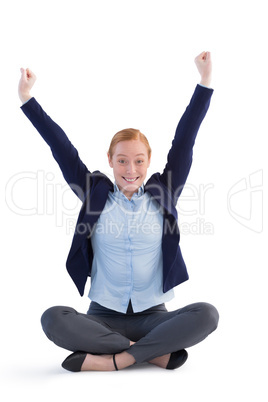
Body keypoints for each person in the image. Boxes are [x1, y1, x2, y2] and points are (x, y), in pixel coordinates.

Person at [18, 51, 219, 372]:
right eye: (122, 159)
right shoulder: (93, 192)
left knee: (207, 314)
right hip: (100, 318)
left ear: (148, 162)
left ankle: (114, 360)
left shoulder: (164, 192)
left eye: (138, 160)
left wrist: (204, 82)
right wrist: (27, 99)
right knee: (53, 318)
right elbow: (62, 150)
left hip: (154, 317)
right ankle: (153, 354)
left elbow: (185, 142)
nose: (130, 168)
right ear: (110, 160)